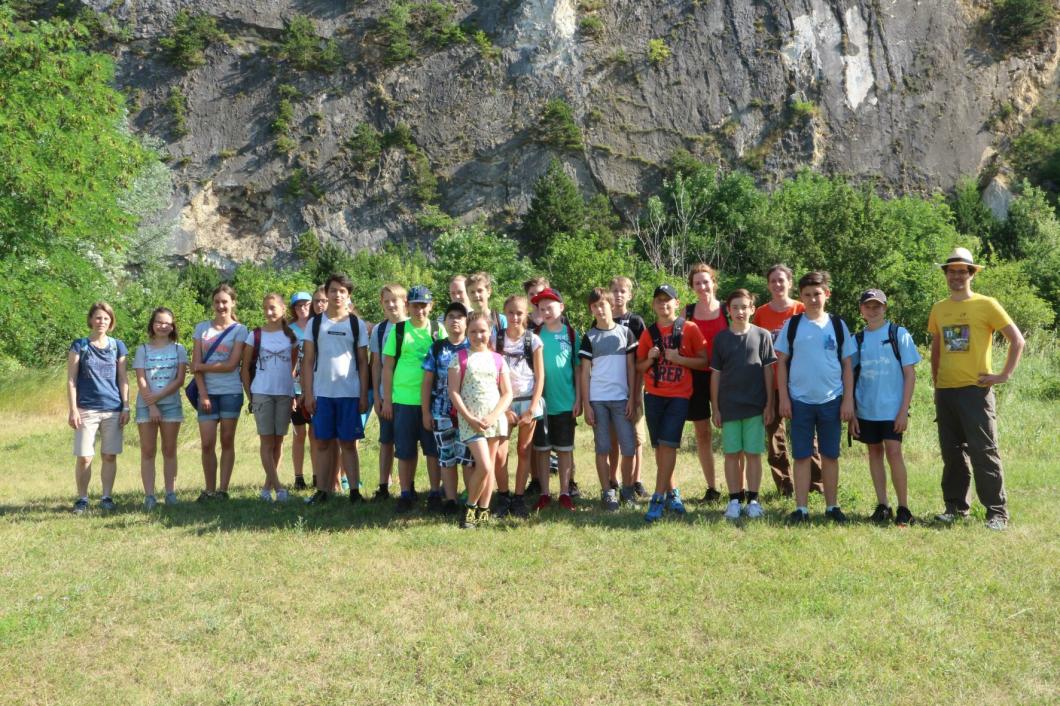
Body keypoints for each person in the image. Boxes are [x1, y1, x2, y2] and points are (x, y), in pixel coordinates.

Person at [928, 247, 1024, 530]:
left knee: (984, 451)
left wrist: (1003, 375)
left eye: (962, 271)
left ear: (971, 274)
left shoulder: (987, 304)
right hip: (945, 392)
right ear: (945, 274)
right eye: (952, 271)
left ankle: (997, 512)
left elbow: (1017, 341)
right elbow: (936, 348)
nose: (957, 275)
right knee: (952, 453)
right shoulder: (939, 308)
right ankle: (956, 508)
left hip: (975, 391)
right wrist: (936, 383)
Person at [775, 271, 856, 524]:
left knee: (830, 455)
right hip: (799, 400)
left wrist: (848, 400)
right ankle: (802, 508)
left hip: (832, 400)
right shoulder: (793, 324)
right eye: (807, 295)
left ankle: (832, 506)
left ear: (827, 295)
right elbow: (781, 363)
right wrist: (784, 399)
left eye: (817, 294)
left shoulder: (838, 325)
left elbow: (847, 365)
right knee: (801, 455)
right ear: (801, 296)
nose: (813, 299)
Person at [636, 285, 709, 522]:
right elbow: (638, 367)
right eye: (659, 301)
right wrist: (649, 359)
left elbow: (704, 361)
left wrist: (680, 359)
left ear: (677, 304)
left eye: (668, 301)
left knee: (668, 445)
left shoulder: (689, 328)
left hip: (679, 396)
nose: (663, 305)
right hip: (654, 396)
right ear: (653, 305)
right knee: (660, 447)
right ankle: (673, 493)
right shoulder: (649, 333)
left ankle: (657, 497)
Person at [850, 289, 921, 526]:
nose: (873, 310)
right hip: (866, 408)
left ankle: (903, 508)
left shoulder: (898, 334)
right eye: (868, 306)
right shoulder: (857, 339)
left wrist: (904, 410)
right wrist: (852, 413)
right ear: (861, 310)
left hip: (892, 409)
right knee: (874, 453)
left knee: (894, 452)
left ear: (885, 307)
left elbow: (910, 375)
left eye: (877, 305)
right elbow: (849, 376)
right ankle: (883, 505)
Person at [752, 264, 823, 496]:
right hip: (770, 382)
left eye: (782, 280)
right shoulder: (761, 313)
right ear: (768, 284)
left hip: (800, 382)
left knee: (807, 436)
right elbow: (758, 349)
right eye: (773, 281)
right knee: (775, 439)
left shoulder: (802, 308)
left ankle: (815, 485)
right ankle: (785, 487)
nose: (777, 285)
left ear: (790, 283)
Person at [301, 273, 370, 505]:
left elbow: (362, 362)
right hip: (322, 394)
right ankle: (322, 491)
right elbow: (308, 361)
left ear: (348, 295)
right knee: (322, 443)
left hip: (349, 394)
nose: (337, 295)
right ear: (326, 293)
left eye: (342, 291)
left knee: (349, 444)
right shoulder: (315, 323)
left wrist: (363, 394)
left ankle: (354, 493)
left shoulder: (355, 323)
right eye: (333, 290)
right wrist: (308, 394)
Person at [709, 290, 776, 520]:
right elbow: (715, 375)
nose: (739, 311)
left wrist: (769, 403)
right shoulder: (721, 339)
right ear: (728, 310)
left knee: (753, 454)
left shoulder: (763, 335)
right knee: (732, 454)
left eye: (744, 307)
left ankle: (754, 499)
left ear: (752, 309)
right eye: (735, 307)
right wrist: (715, 407)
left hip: (755, 407)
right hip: (729, 408)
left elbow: (768, 371)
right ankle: (734, 499)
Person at [448, 311, 514, 528]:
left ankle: (483, 511)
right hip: (471, 422)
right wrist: (468, 417)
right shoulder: (460, 358)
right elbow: (454, 392)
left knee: (491, 466)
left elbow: (507, 393)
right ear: (467, 332)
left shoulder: (498, 360)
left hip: (494, 420)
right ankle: (470, 508)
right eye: (473, 331)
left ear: (490, 332)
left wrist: (494, 415)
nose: (478, 336)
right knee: (484, 466)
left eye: (483, 331)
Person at [381, 285, 440, 513]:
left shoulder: (438, 330)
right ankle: (406, 493)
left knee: (432, 450)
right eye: (415, 305)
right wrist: (387, 400)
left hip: (431, 401)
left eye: (424, 305)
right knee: (405, 451)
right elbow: (387, 368)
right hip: (403, 401)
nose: (419, 310)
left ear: (431, 306)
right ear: (409, 306)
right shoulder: (398, 331)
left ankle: (435, 492)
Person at [67, 302, 130, 513]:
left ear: (111, 321)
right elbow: (71, 380)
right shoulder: (79, 345)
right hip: (86, 409)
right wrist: (73, 409)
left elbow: (123, 378)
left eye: (105, 318)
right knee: (85, 456)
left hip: (113, 408)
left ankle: (106, 497)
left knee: (109, 455)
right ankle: (82, 499)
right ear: (91, 320)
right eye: (97, 317)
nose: (101, 321)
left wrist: (126, 406)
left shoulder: (118, 346)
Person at [579, 288, 638, 511]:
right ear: (591, 310)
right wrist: (586, 404)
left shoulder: (626, 333)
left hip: (622, 399)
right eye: (594, 306)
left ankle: (628, 490)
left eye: (602, 305)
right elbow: (584, 373)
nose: (599, 310)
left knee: (629, 448)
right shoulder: (589, 337)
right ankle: (607, 492)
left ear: (611, 306)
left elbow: (631, 368)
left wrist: (632, 398)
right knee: (602, 448)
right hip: (598, 401)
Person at [191, 284, 247, 501]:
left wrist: (201, 367)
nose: (221, 306)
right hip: (207, 393)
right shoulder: (201, 329)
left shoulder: (241, 330)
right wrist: (203, 394)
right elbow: (195, 363)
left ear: (232, 303)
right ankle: (209, 489)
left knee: (227, 441)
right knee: (206, 444)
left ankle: (223, 490)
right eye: (217, 302)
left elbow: (232, 364)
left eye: (225, 301)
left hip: (231, 392)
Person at [242, 293, 299, 503]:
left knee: (279, 440)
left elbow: (292, 366)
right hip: (262, 393)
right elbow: (245, 370)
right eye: (265, 307)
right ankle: (279, 488)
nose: (269, 312)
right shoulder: (255, 335)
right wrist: (251, 396)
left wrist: (291, 391)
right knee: (266, 441)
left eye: (273, 307)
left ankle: (267, 488)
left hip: (284, 393)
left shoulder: (292, 337)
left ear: (283, 309)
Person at [529, 287, 581, 511]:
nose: (546, 311)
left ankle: (564, 492)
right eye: (541, 308)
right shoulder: (535, 334)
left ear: (561, 307)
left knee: (564, 449)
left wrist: (579, 398)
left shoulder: (571, 334)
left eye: (550, 307)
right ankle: (544, 493)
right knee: (541, 449)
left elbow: (579, 370)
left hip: (566, 401)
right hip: (541, 403)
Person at [495, 294, 545, 519]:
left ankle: (519, 498)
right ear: (505, 313)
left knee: (524, 450)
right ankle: (503, 496)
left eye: (519, 313)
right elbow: (491, 374)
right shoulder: (496, 340)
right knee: (499, 454)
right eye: (511, 312)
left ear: (526, 315)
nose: (515, 317)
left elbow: (540, 377)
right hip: (503, 402)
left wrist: (532, 407)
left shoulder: (533, 340)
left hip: (527, 401)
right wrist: (502, 408)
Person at [133, 307, 187, 509]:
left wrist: (159, 397)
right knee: (148, 451)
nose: (163, 326)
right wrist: (152, 404)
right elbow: (141, 379)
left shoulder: (179, 349)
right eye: (158, 322)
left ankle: (170, 493)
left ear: (172, 326)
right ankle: (149, 496)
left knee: (169, 450)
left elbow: (180, 379)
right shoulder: (142, 350)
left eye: (167, 323)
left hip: (171, 405)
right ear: (152, 324)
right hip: (146, 405)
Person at [421, 301, 471, 515]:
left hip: (468, 414)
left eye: (459, 316)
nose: (455, 320)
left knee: (468, 459)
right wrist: (425, 412)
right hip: (441, 413)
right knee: (447, 457)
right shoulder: (437, 347)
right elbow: (427, 381)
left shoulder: (474, 346)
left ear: (466, 321)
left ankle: (471, 498)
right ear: (445, 321)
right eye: (450, 316)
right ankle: (450, 500)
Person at [684, 263, 727, 503]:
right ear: (692, 286)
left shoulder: (727, 310)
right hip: (697, 377)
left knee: (731, 431)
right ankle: (712, 488)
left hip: (726, 376)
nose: (702, 286)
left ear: (713, 282)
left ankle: (737, 488)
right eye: (697, 283)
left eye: (706, 281)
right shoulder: (688, 313)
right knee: (703, 434)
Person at [609, 275, 648, 499]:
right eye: (614, 290)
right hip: (611, 388)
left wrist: (637, 390)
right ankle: (613, 480)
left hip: (633, 386)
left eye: (623, 291)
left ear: (630, 295)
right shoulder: (602, 320)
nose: (619, 294)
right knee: (614, 437)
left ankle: (635, 480)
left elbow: (641, 358)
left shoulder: (636, 322)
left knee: (635, 437)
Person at [369, 283, 409, 501]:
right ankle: (383, 485)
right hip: (386, 396)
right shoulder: (380, 330)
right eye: (387, 301)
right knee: (386, 441)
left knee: (408, 444)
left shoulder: (415, 326)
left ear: (405, 301)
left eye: (395, 300)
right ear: (382, 304)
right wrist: (377, 396)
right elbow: (376, 364)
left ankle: (407, 487)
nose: (392, 304)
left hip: (410, 397)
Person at [288, 291, 313, 490]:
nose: (302, 308)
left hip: (314, 386)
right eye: (298, 306)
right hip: (295, 387)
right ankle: (298, 476)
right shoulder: (289, 330)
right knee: (298, 434)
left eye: (306, 304)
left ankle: (317, 474)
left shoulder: (318, 325)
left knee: (316, 434)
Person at [466, 271, 507, 350]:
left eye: (480, 291)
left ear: (489, 291)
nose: (476, 295)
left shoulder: (501, 321)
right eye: (472, 292)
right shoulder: (466, 321)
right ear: (468, 295)